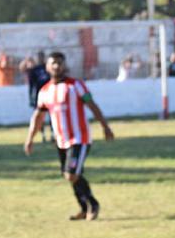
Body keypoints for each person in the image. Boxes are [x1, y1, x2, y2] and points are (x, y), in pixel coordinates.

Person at [24, 52, 114, 221]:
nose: (57, 66)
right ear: (47, 67)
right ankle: (83, 208)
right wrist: (30, 138)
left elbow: (92, 105)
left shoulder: (76, 86)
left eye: (60, 63)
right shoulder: (45, 91)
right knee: (71, 175)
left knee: (71, 174)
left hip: (80, 139)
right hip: (61, 140)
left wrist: (105, 127)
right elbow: (38, 117)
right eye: (53, 63)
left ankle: (92, 204)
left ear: (64, 66)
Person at [19, 54, 51, 143]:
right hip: (39, 96)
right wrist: (31, 98)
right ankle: (43, 135)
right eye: (39, 58)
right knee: (40, 117)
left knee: (53, 116)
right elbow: (31, 84)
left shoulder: (48, 68)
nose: (41, 59)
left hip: (50, 94)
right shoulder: (34, 70)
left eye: (42, 57)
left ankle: (53, 134)